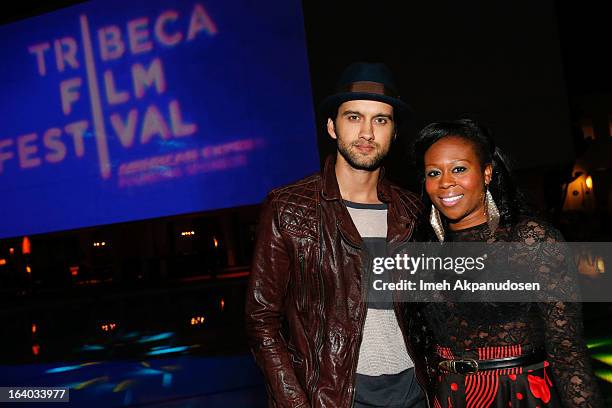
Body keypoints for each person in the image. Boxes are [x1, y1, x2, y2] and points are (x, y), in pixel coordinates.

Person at [245, 62, 428, 407]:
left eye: (381, 120)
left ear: (394, 131)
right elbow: (261, 321)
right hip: (334, 398)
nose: (367, 133)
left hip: (414, 393)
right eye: (354, 117)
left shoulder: (413, 210)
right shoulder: (288, 208)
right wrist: (295, 401)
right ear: (332, 126)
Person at [410, 118, 603, 407]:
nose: (445, 182)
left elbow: (568, 350)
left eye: (459, 169)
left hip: (517, 394)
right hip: (449, 396)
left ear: (487, 172)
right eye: (433, 173)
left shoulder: (530, 240)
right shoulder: (422, 250)